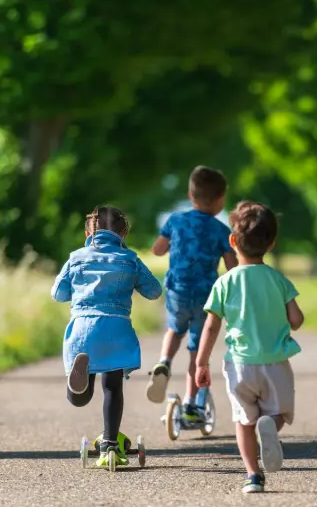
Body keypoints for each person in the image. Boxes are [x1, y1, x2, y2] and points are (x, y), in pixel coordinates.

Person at [195, 201, 304, 494]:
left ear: (233, 241)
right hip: (276, 363)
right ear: (272, 243)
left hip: (239, 364)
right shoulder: (278, 279)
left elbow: (211, 326)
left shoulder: (224, 282)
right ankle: (270, 424)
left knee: (243, 421)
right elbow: (296, 320)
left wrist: (201, 363)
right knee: (277, 413)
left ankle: (253, 476)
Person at [51, 205, 163, 467]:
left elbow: (57, 293)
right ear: (123, 233)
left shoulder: (76, 257)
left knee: (81, 397)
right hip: (116, 329)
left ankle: (75, 387)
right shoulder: (130, 259)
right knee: (112, 388)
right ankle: (110, 445)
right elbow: (155, 291)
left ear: (89, 231)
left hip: (82, 328)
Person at [146, 166, 238, 425]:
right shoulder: (221, 231)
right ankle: (189, 404)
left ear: (190, 193)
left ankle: (164, 362)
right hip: (206, 296)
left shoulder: (175, 221)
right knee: (198, 352)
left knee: (174, 330)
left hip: (177, 289)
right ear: (221, 200)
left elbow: (157, 250)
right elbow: (232, 269)